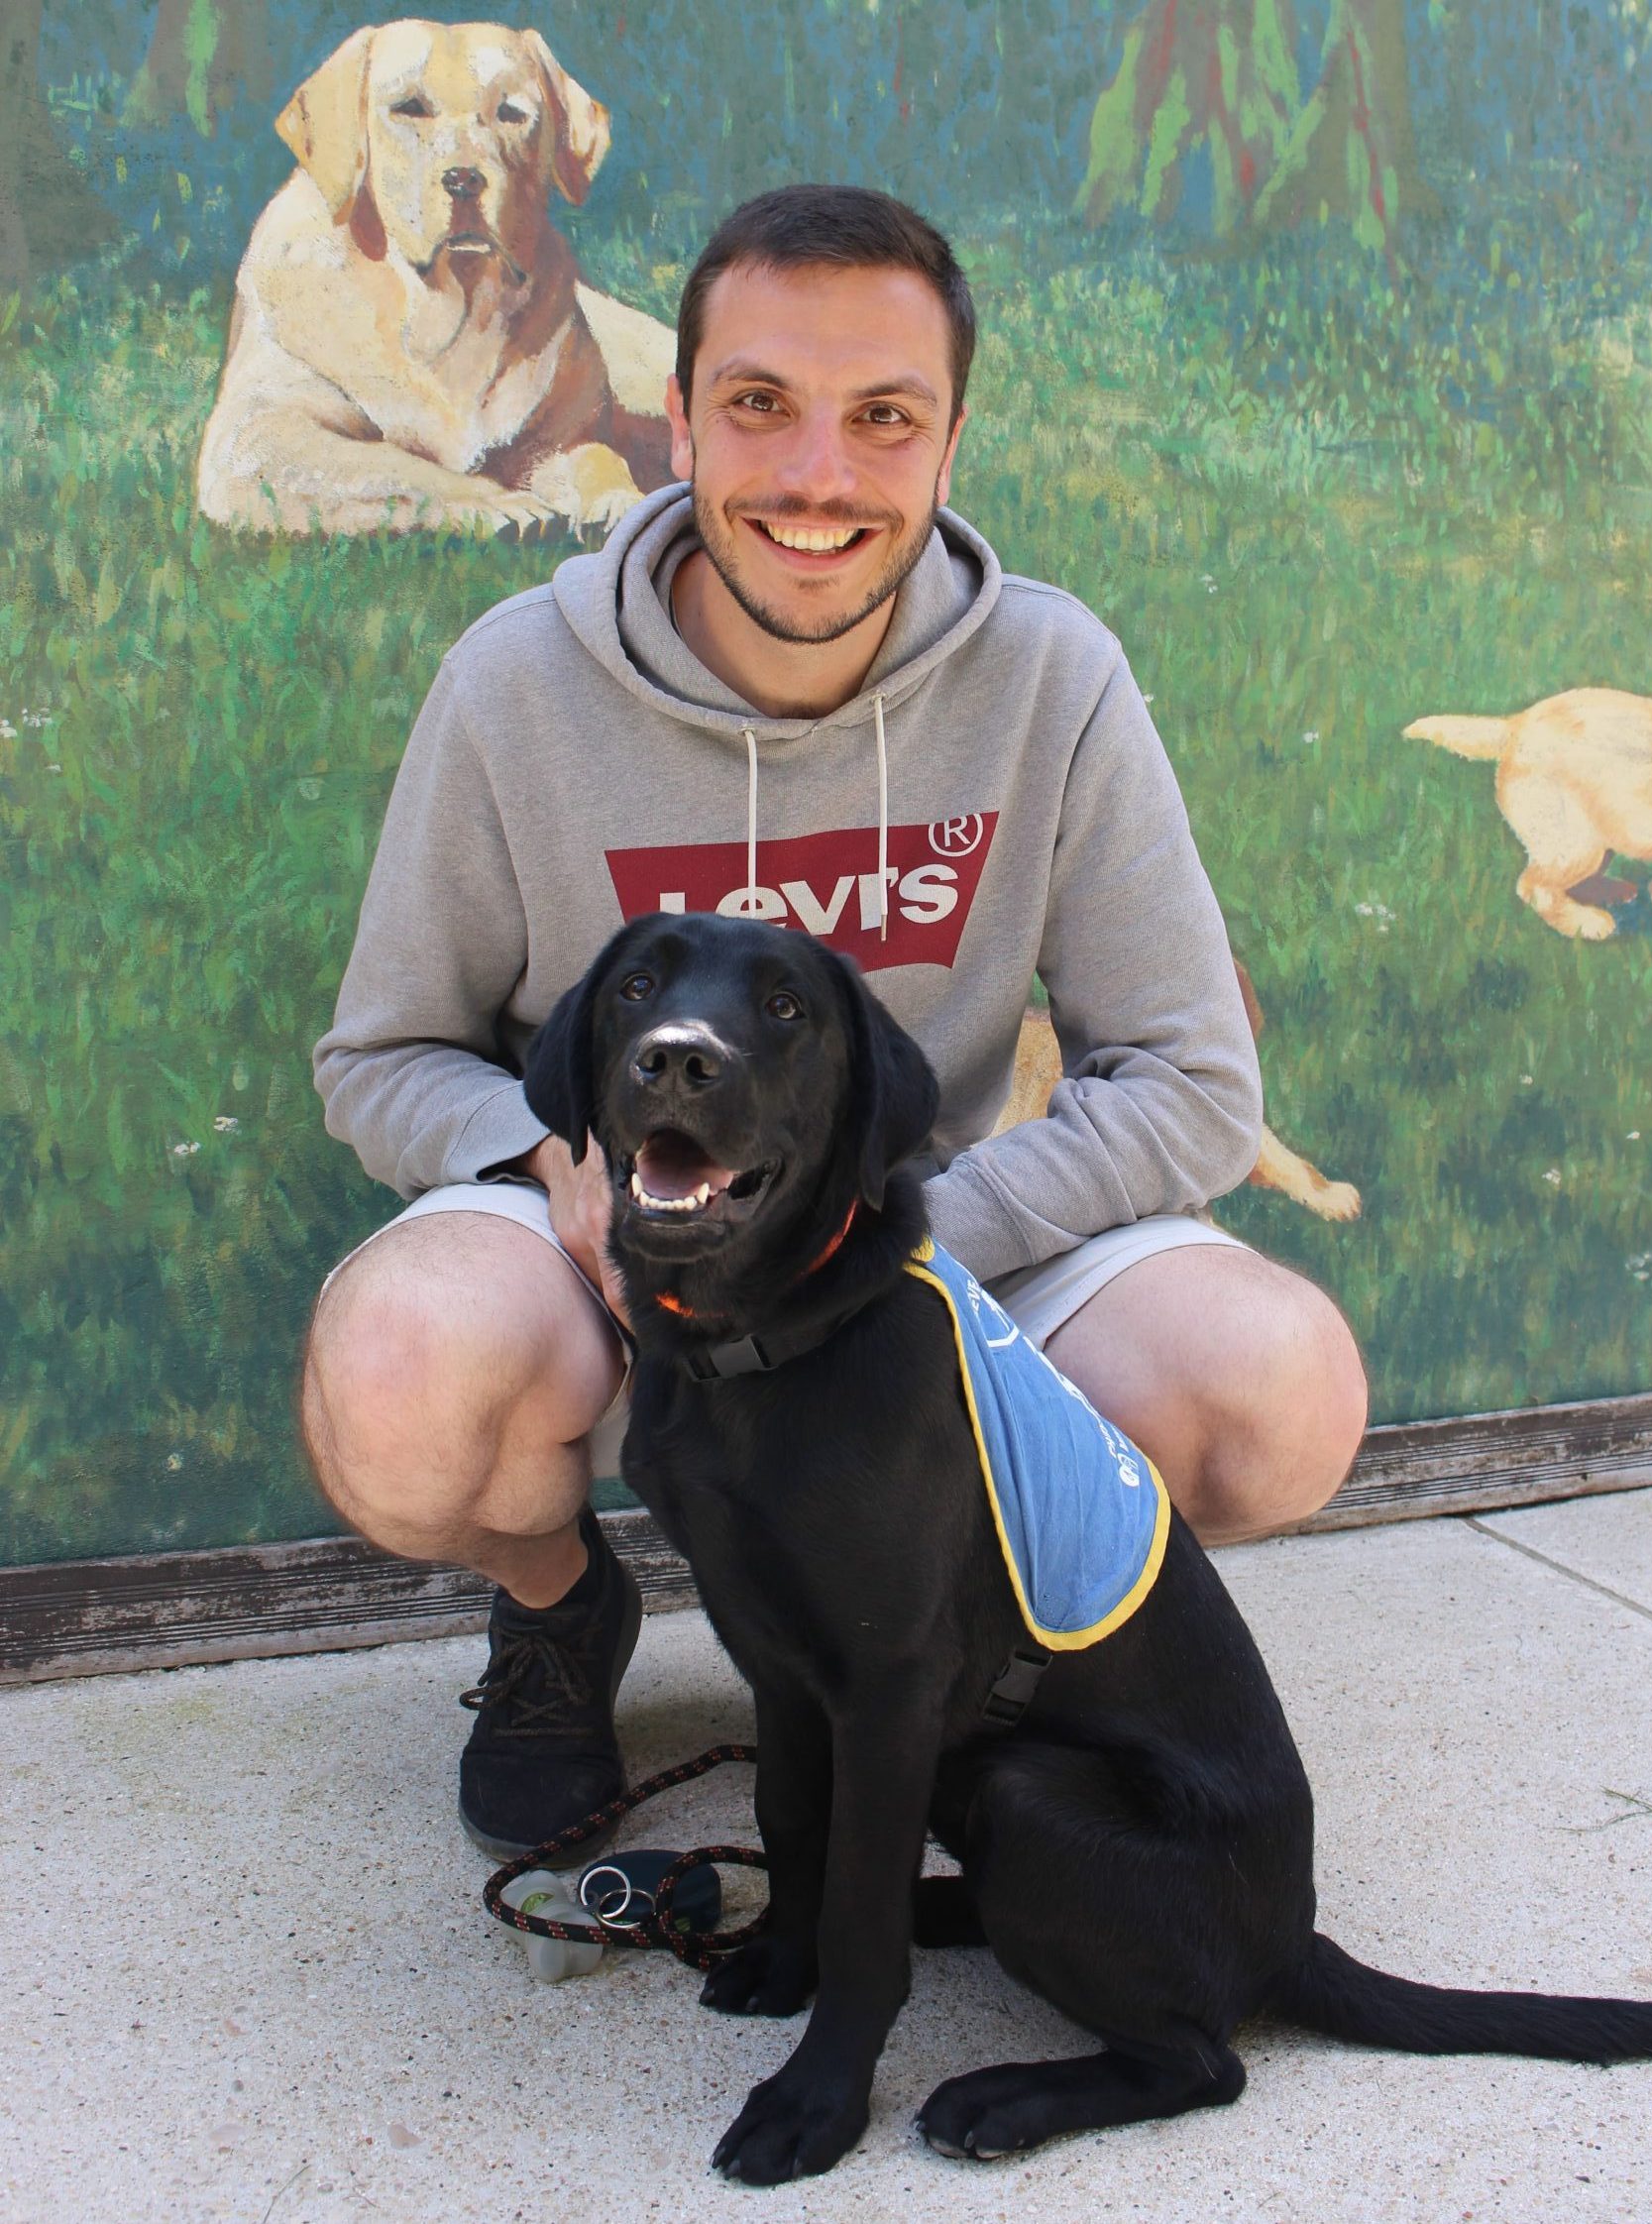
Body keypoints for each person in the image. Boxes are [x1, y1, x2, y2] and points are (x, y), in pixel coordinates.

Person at [304, 185, 1369, 1859]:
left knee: (1278, 1392)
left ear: (950, 440)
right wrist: (542, 1153)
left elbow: (1188, 1079)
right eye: (758, 407)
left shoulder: (1048, 677)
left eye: (882, 418)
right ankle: (554, 1614)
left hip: (923, 1244)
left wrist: (902, 1236)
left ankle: (954, 1660)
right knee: (400, 1388)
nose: (816, 476)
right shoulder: (517, 686)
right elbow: (383, 1057)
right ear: (679, 419)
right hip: (630, 1238)